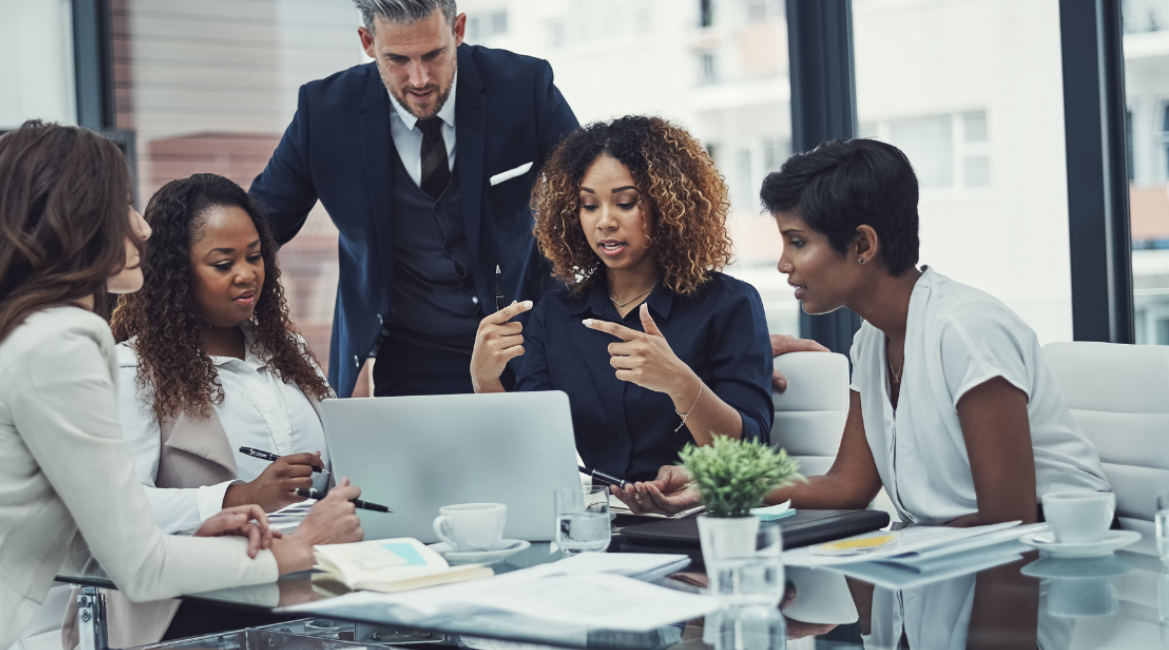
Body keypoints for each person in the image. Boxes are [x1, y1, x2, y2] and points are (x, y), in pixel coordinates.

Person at [0, 122, 362, 650]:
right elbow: (141, 568)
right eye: (121, 206)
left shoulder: (15, 329)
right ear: (70, 223)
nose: (143, 228)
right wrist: (298, 549)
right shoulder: (62, 339)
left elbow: (81, 541)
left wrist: (198, 535)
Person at [615, 139, 1110, 526]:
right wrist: (714, 486)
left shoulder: (966, 331)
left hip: (1054, 573)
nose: (785, 263)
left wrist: (897, 547)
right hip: (950, 563)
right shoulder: (872, 339)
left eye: (799, 242)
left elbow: (1011, 519)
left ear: (863, 244)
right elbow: (847, 486)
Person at [247, 0, 580, 398]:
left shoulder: (524, 87)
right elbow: (257, 226)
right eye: (398, 59)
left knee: (530, 460)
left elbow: (588, 196)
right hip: (410, 353)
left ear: (457, 30)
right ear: (368, 42)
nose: (419, 77)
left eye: (434, 55)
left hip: (522, 340)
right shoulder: (323, 114)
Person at [92, 173, 339, 644]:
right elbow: (120, 508)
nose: (247, 274)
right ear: (176, 274)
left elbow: (345, 456)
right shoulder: (134, 369)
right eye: (223, 264)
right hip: (201, 604)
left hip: (315, 584)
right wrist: (237, 497)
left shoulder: (288, 351)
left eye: (254, 256)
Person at [469, 116, 775, 482]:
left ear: (668, 204)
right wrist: (485, 381)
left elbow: (751, 457)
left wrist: (681, 384)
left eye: (625, 203)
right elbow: (530, 454)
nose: (605, 221)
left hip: (697, 521)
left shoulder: (730, 304)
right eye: (589, 205)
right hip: (598, 524)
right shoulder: (556, 313)